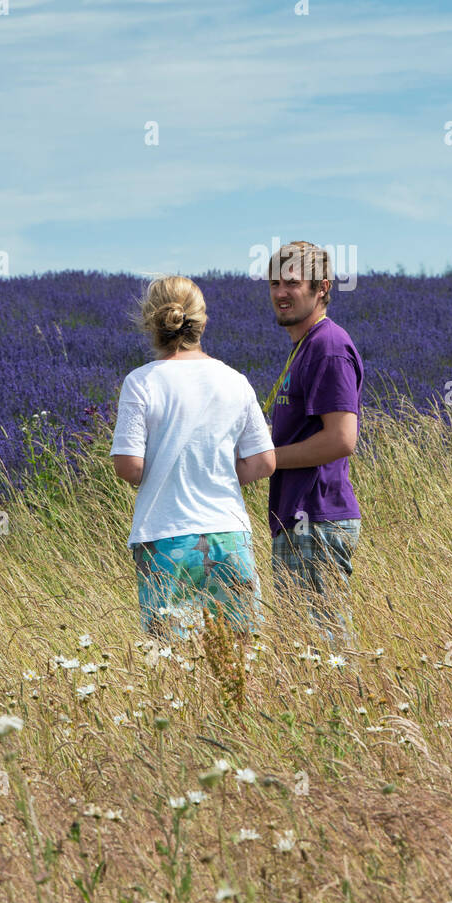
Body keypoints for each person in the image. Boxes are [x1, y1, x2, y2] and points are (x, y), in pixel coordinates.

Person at [110, 275, 275, 641]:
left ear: (150, 321)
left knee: (175, 665)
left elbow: (129, 466)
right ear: (203, 321)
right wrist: (218, 473)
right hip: (229, 534)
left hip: (164, 537)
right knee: (241, 654)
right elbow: (264, 461)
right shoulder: (235, 380)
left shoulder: (141, 383)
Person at [264, 241, 364, 650]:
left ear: (322, 287)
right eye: (274, 282)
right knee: (302, 651)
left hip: (317, 519)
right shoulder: (305, 347)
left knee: (324, 652)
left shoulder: (328, 346)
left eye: (292, 282)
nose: (280, 292)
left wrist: (266, 460)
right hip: (299, 518)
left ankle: (344, 713)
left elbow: (342, 438)